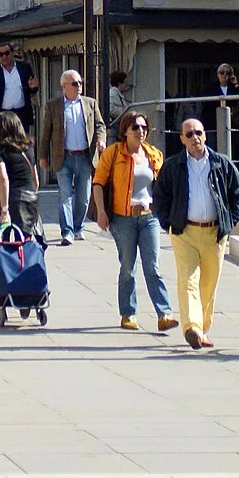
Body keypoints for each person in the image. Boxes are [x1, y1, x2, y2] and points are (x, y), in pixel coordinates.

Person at [150, 116, 239, 349]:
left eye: (199, 133)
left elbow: (238, 192)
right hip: (185, 232)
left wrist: (228, 222)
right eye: (189, 134)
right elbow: (159, 197)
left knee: (209, 284)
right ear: (182, 139)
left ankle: (202, 328)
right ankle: (192, 327)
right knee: (188, 281)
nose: (195, 138)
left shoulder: (221, 163)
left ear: (205, 135)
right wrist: (168, 224)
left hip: (214, 233)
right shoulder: (173, 166)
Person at [92, 109, 177, 333]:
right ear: (126, 131)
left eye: (144, 128)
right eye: (136, 128)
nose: (141, 131)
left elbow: (163, 187)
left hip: (149, 218)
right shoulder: (113, 154)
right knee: (128, 267)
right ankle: (128, 314)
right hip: (123, 218)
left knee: (153, 267)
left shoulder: (154, 154)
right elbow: (98, 183)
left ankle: (164, 314)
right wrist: (101, 212)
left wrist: (165, 212)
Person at [35, 69, 103, 246]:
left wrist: (101, 140)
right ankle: (67, 232)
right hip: (63, 157)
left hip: (84, 157)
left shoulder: (90, 103)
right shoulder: (54, 105)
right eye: (75, 83)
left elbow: (100, 125)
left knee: (84, 197)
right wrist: (43, 156)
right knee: (65, 195)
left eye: (80, 82)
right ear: (64, 86)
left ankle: (78, 227)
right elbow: (46, 133)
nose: (79, 86)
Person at [0, 110, 41, 240]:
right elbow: (36, 181)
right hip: (28, 198)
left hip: (9, 198)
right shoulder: (28, 148)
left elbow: (3, 179)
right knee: (25, 242)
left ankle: (6, 260)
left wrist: (4, 209)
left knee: (0, 242)